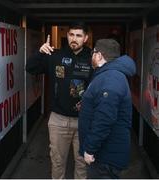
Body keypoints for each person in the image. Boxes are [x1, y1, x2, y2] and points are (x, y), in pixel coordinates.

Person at [26, 22, 92, 179]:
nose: (74, 39)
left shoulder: (92, 58)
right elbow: (30, 68)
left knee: (82, 164)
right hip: (58, 120)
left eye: (78, 35)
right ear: (67, 35)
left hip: (84, 121)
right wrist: (40, 53)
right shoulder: (55, 55)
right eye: (71, 35)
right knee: (57, 162)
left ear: (85, 38)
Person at [78, 39, 136, 179]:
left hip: (105, 158)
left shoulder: (111, 78)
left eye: (93, 53)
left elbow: (104, 119)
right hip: (105, 154)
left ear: (99, 55)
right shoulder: (108, 74)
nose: (92, 56)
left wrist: (90, 149)